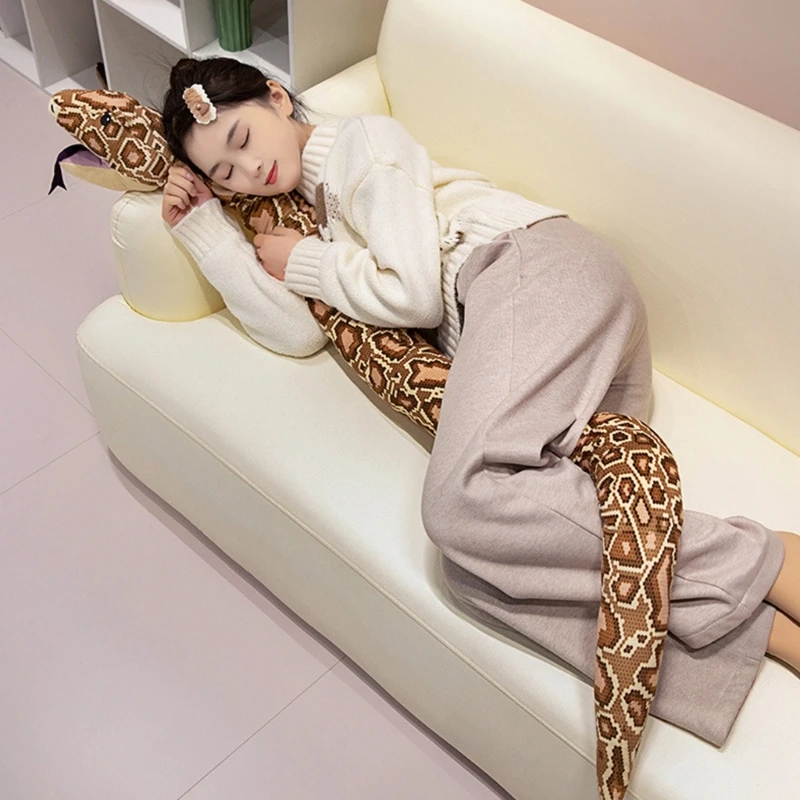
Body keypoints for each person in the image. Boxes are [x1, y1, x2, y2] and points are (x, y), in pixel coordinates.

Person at [160, 56, 800, 746]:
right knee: (472, 571)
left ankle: (768, 560)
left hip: (535, 270)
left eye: (243, 139)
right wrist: (206, 230)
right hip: (546, 359)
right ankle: (760, 632)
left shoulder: (360, 146)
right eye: (224, 173)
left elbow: (414, 294)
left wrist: (307, 262)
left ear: (278, 99)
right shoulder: (305, 216)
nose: (248, 170)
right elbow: (296, 332)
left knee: (456, 503)